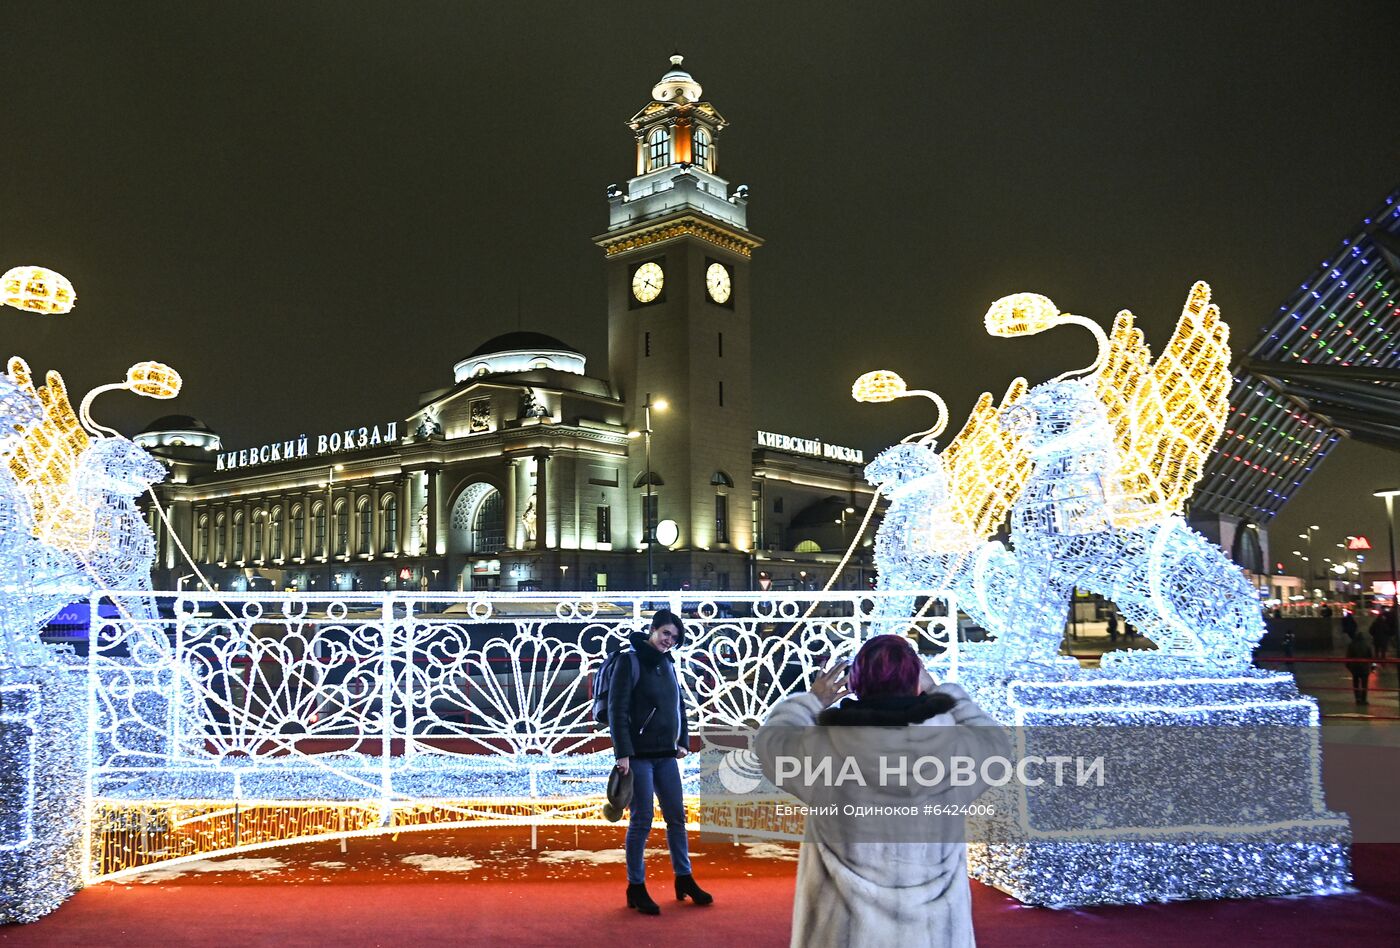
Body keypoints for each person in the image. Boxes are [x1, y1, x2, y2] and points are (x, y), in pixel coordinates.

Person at [755, 634, 1009, 947]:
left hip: (845, 933)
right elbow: (996, 745)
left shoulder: (823, 749)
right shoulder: (954, 749)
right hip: (931, 935)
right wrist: (943, 692)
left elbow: (770, 742)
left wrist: (812, 700)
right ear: (915, 682)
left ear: (857, 683)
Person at [609, 608, 711, 915]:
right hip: (639, 756)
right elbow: (617, 708)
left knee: (677, 818)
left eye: (675, 637)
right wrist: (622, 752)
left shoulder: (668, 663)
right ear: (652, 630)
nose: (669, 641)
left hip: (666, 755)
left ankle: (684, 878)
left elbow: (677, 704)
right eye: (666, 633)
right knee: (641, 821)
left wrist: (683, 741)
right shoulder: (630, 661)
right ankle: (636, 886)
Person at [1346, 629, 1374, 706]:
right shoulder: (1367, 645)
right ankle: (1364, 699)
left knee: (1356, 684)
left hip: (1355, 668)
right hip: (1364, 668)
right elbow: (1371, 657)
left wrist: (1349, 667)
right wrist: (1372, 667)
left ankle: (1357, 699)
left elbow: (1348, 657)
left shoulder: (1351, 645)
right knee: (1364, 684)